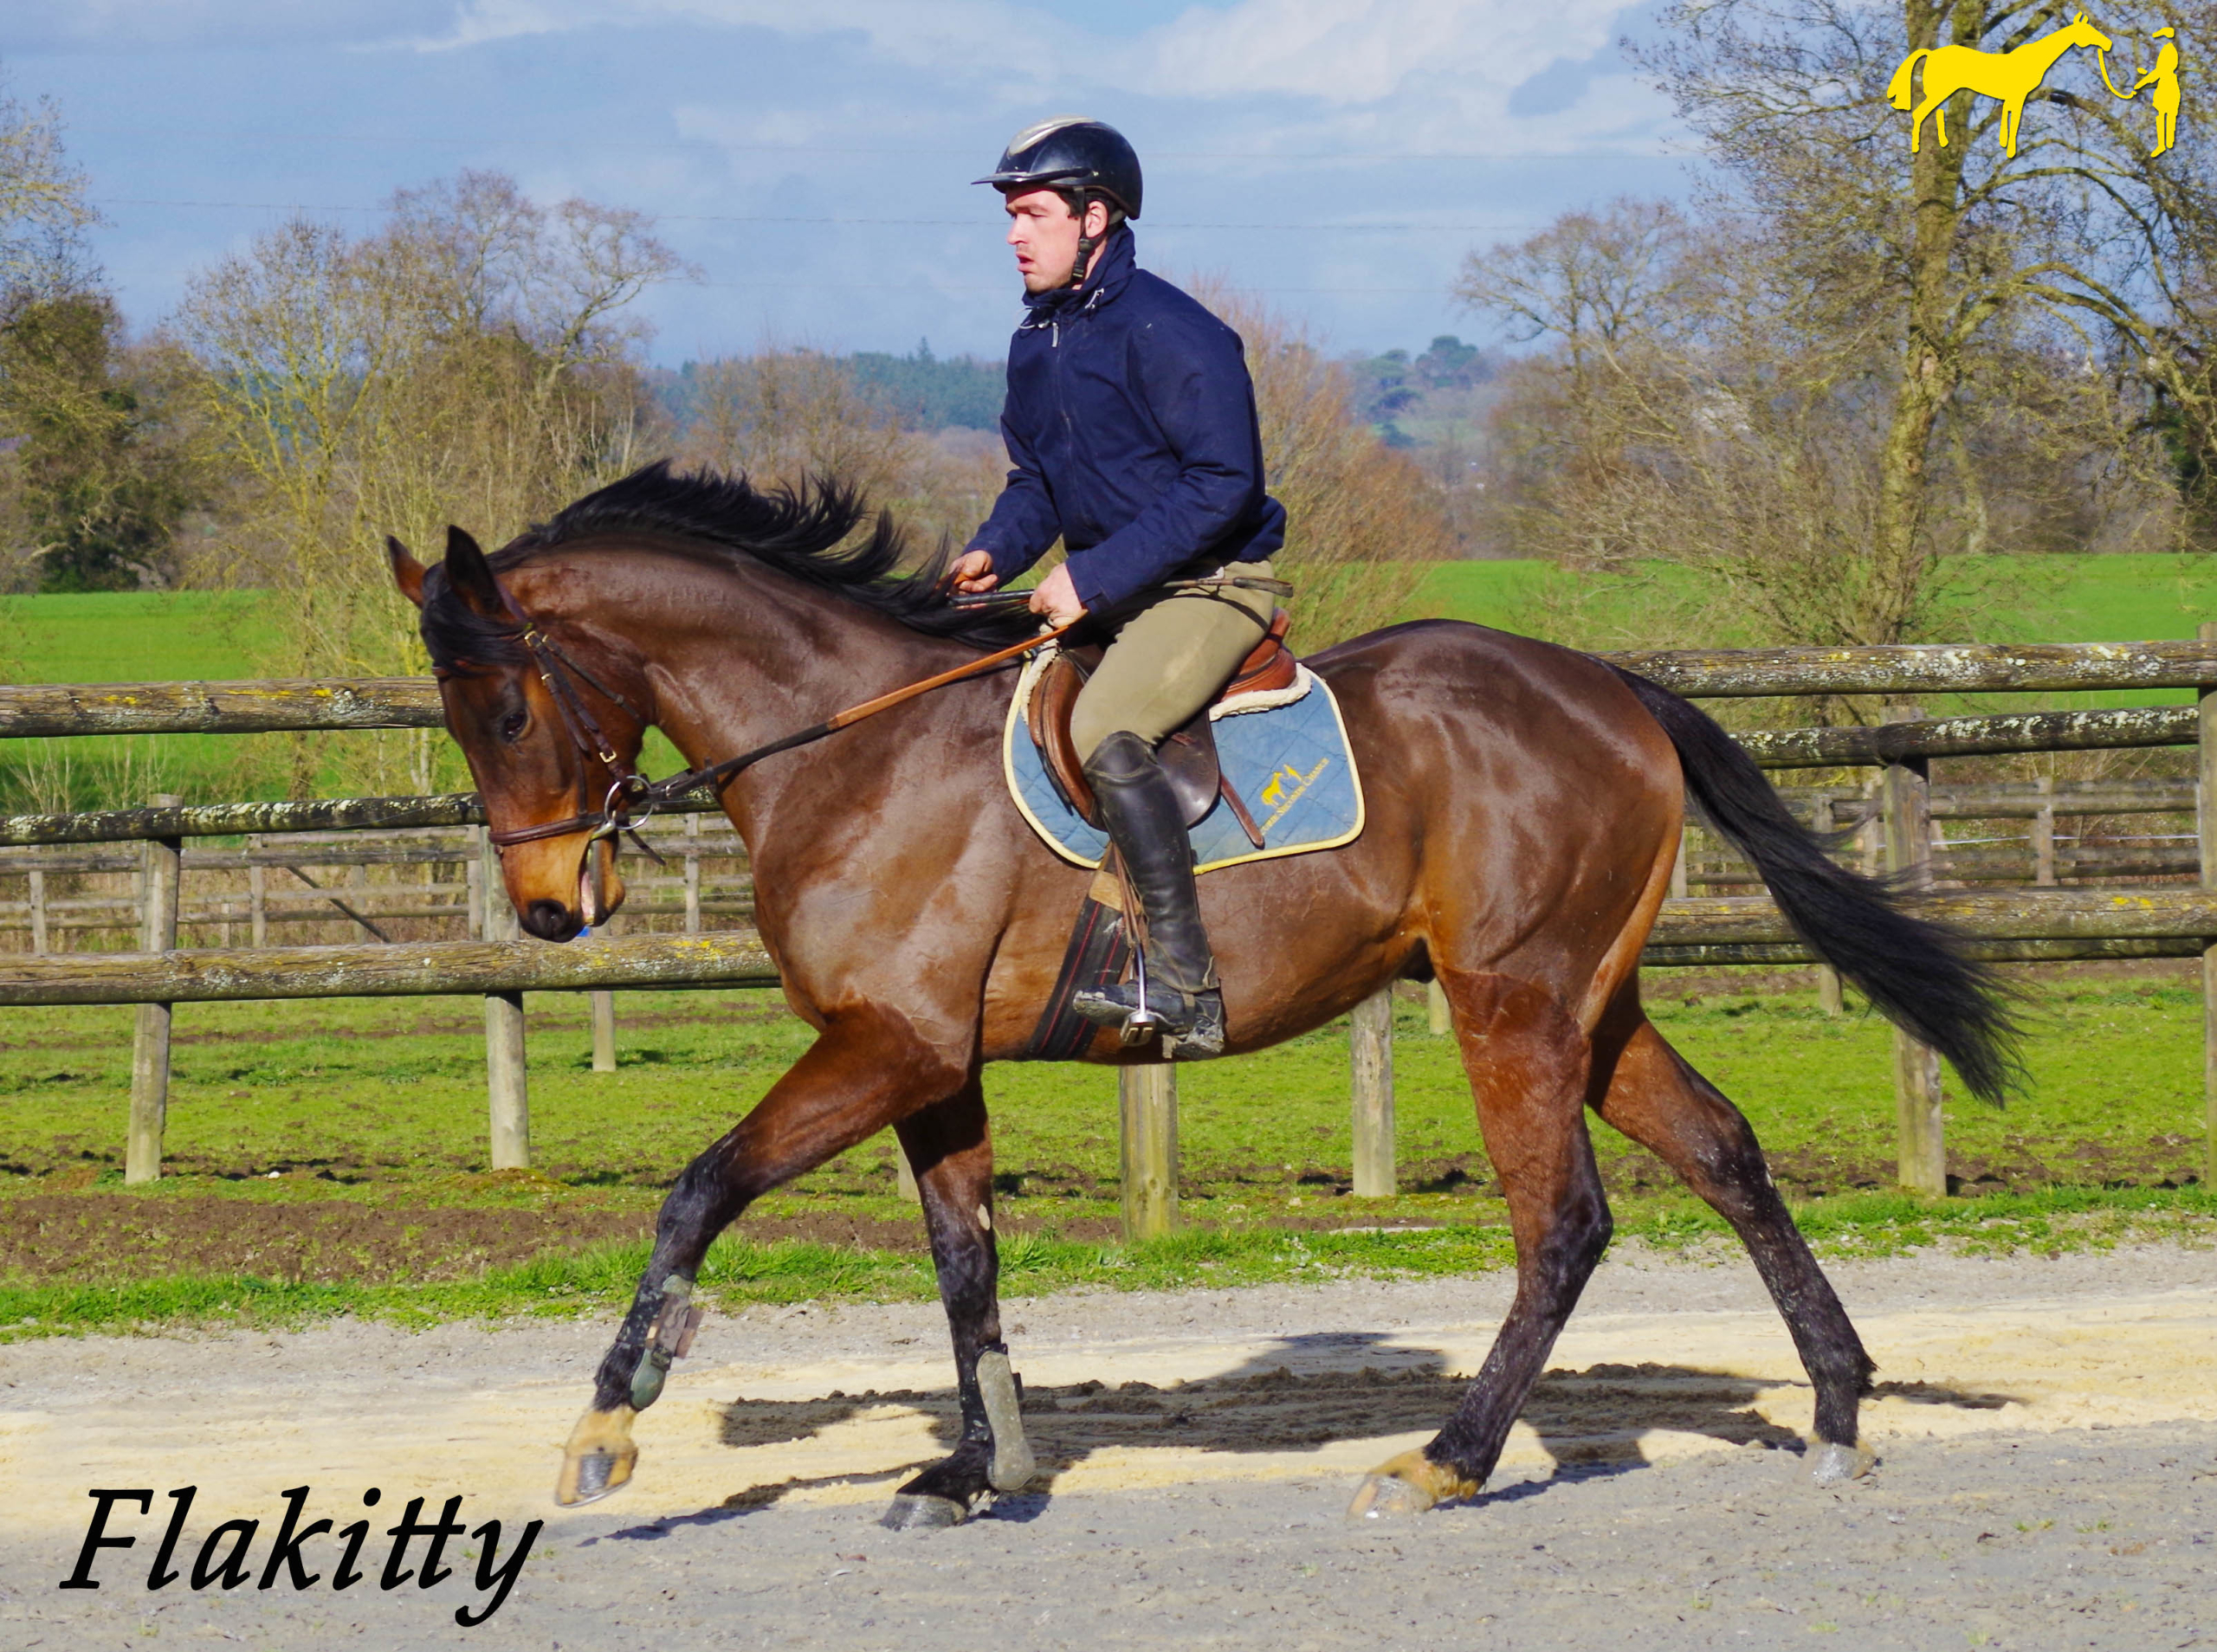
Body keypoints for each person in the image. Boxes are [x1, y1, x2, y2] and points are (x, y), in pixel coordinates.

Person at [947, 116, 1286, 1059]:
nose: (1015, 235)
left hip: (1209, 584)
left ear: (1096, 217)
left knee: (1104, 729)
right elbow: (1037, 487)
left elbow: (1224, 486)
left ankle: (1185, 982)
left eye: (1035, 215)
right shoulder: (1038, 340)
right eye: (1010, 216)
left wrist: (1088, 578)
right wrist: (991, 554)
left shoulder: (1175, 332)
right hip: (1116, 593)